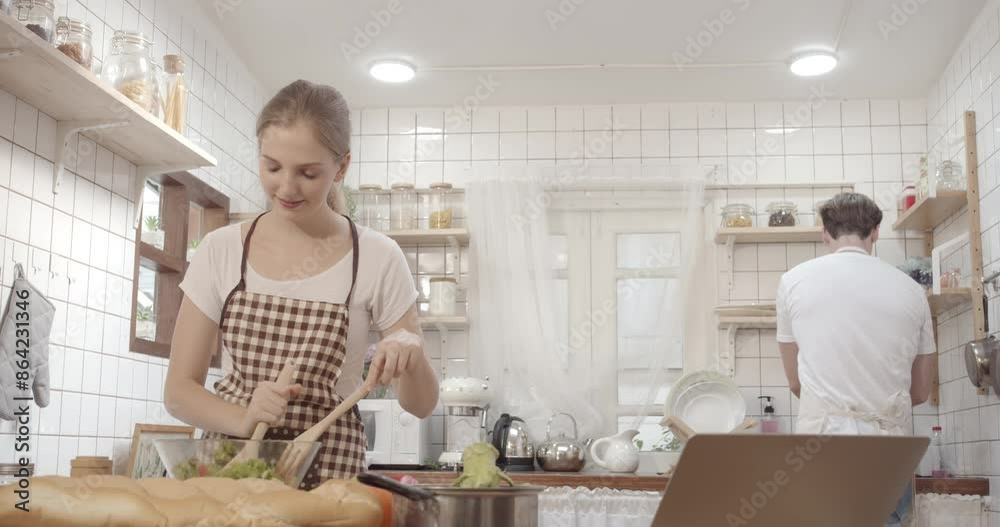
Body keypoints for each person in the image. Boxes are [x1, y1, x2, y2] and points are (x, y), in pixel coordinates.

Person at [164, 80, 439, 489]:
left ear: (341, 168)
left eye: (308, 173)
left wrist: (411, 355)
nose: (286, 188)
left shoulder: (378, 257)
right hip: (231, 472)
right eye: (272, 167)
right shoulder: (221, 249)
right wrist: (244, 416)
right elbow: (179, 391)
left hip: (331, 481)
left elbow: (421, 404)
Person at [776, 192, 935, 526]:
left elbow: (794, 382)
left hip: (819, 449)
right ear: (875, 231)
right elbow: (920, 391)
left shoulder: (792, 282)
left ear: (825, 232)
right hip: (889, 454)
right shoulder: (913, 291)